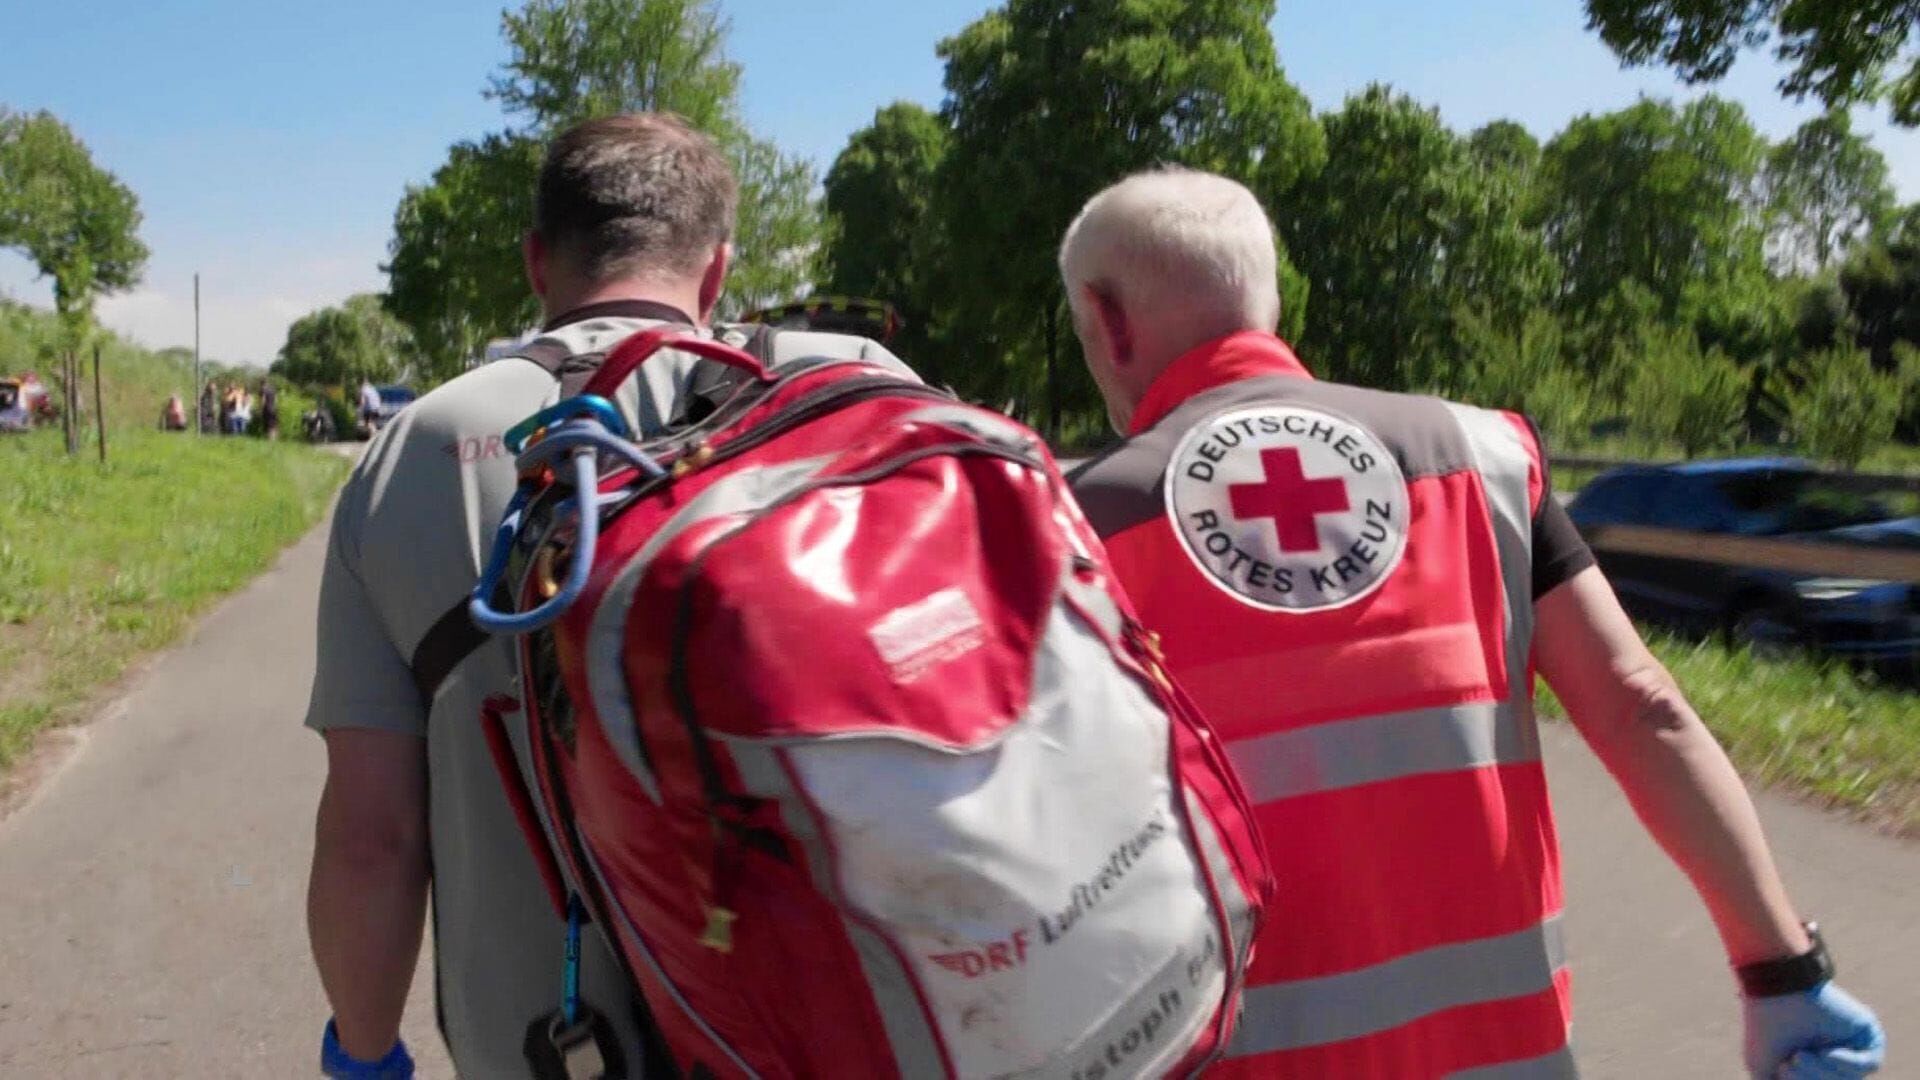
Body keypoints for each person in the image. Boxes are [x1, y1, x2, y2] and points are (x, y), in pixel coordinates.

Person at [1059, 169, 1886, 1078]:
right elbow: (1638, 704)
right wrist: (1781, 972)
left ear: (1107, 318)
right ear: (1267, 297)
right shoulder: (1483, 459)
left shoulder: (1068, 525)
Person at [302, 112, 916, 1078]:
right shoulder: (867, 390)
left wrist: (364, 1054)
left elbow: (373, 839)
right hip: (876, 1036)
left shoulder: (418, 451)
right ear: (717, 270)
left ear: (536, 262)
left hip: (560, 1048)